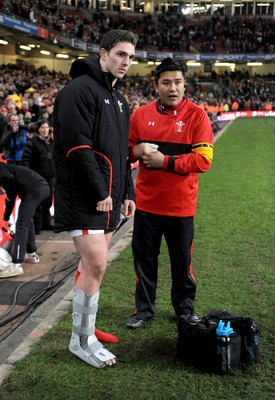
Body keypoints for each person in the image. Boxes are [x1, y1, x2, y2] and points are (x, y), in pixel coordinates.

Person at [53, 29, 137, 368]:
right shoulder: (78, 90)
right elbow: (77, 148)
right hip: (87, 196)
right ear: (103, 53)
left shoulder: (119, 99)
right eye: (120, 54)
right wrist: (101, 192)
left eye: (130, 57)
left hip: (109, 197)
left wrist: (127, 192)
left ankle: (87, 329)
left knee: (92, 267)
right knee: (97, 263)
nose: (126, 62)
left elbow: (120, 154)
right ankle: (81, 339)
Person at [126, 57, 214, 329]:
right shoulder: (140, 115)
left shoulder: (197, 116)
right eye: (166, 82)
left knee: (182, 264)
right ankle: (143, 310)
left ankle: (185, 310)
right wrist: (137, 151)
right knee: (144, 261)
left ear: (185, 84)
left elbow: (203, 160)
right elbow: (127, 151)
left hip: (180, 207)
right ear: (156, 86)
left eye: (178, 82)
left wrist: (165, 161)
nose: (173, 88)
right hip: (147, 206)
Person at [0, 162, 50, 278]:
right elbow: (10, 197)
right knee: (27, 220)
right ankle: (31, 253)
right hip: (41, 188)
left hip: (35, 190)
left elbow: (10, 182)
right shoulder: (6, 171)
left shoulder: (2, 169)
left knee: (21, 224)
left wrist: (10, 194)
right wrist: (6, 217)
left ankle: (16, 264)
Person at [22, 118, 55, 233]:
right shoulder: (32, 142)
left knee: (48, 201)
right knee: (38, 201)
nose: (45, 130)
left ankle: (47, 223)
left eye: (46, 127)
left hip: (50, 176)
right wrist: (29, 175)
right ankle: (37, 225)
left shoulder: (52, 142)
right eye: (42, 128)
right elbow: (25, 159)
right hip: (37, 177)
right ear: (38, 129)